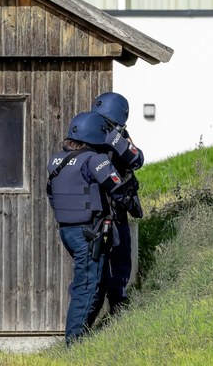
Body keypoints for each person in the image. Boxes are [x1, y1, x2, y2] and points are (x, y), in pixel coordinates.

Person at [46, 111, 134, 346]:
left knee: (90, 281)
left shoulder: (56, 161)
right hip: (89, 232)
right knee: (88, 286)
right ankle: (74, 345)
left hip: (68, 232)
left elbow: (52, 196)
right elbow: (117, 188)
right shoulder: (95, 160)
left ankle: (84, 337)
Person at [91, 91, 144, 316]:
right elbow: (136, 159)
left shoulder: (86, 132)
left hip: (92, 211)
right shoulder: (114, 136)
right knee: (119, 261)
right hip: (114, 208)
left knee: (93, 266)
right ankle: (118, 307)